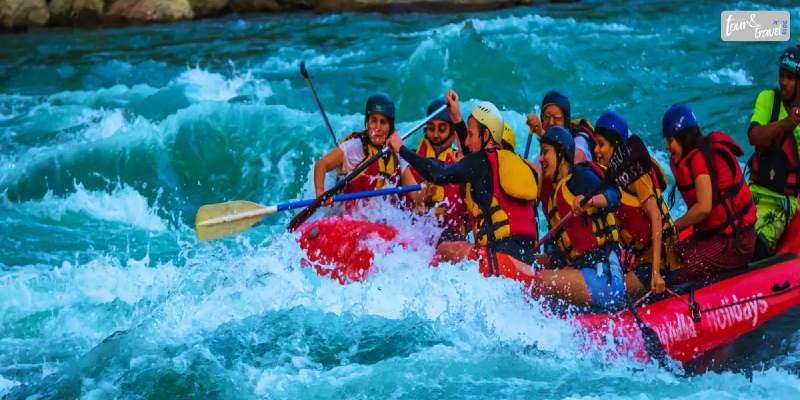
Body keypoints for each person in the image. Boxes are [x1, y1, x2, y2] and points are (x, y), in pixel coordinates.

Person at [387, 93, 540, 279]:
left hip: (500, 264)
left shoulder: (481, 162)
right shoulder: (521, 165)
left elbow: (438, 173)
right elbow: (472, 159)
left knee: (445, 247)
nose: (466, 141)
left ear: (486, 135)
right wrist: (457, 118)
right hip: (528, 262)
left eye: (471, 135)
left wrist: (401, 150)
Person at [524, 126, 624, 311]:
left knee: (539, 281)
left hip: (605, 276)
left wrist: (591, 201)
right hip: (583, 272)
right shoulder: (556, 195)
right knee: (532, 271)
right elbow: (557, 257)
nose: (541, 158)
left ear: (561, 153)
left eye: (546, 152)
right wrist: (527, 259)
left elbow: (614, 195)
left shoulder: (579, 177)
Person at [664, 104, 757, 284]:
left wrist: (671, 229)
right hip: (715, 237)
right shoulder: (693, 157)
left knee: (675, 271)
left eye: (671, 140)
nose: (668, 146)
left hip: (735, 244)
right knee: (667, 260)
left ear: (683, 138)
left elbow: (703, 208)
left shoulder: (699, 159)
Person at [591, 111, 680, 297]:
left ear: (616, 145)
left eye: (601, 144)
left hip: (660, 258)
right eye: (594, 145)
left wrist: (655, 273)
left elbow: (655, 217)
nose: (596, 151)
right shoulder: (614, 176)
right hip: (638, 257)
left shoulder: (636, 175)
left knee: (614, 295)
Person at [313, 93, 419, 204]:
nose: (377, 128)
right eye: (374, 121)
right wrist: (320, 192)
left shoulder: (397, 153)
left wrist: (427, 193)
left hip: (378, 216)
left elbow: (415, 196)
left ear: (390, 126)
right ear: (367, 123)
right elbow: (321, 164)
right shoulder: (355, 147)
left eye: (383, 122)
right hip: (347, 215)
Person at [746, 45, 800, 259]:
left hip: (781, 202)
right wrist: (787, 122)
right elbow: (754, 136)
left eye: (790, 77)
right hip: (753, 191)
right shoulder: (768, 98)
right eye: (781, 75)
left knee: (757, 249)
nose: (783, 82)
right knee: (728, 237)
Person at [411, 97, 468, 241]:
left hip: (451, 241)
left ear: (454, 134)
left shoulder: (462, 164)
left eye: (442, 129)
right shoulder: (411, 161)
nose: (436, 135)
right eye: (431, 129)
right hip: (415, 239)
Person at [526, 90, 595, 163]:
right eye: (547, 116)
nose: (551, 122)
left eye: (557, 117)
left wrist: (542, 134)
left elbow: (572, 161)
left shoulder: (580, 139)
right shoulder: (541, 158)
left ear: (566, 122)